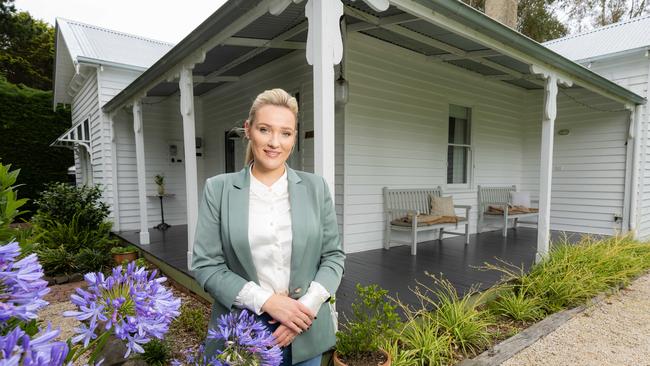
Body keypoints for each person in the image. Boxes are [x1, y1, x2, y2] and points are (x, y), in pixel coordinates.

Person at [191, 88, 345, 366]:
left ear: (294, 137)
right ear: (249, 130)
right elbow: (206, 266)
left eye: (286, 133)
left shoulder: (316, 188)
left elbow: (333, 257)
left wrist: (305, 310)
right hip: (243, 334)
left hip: (304, 332)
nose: (275, 142)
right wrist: (267, 301)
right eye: (265, 129)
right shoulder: (219, 189)